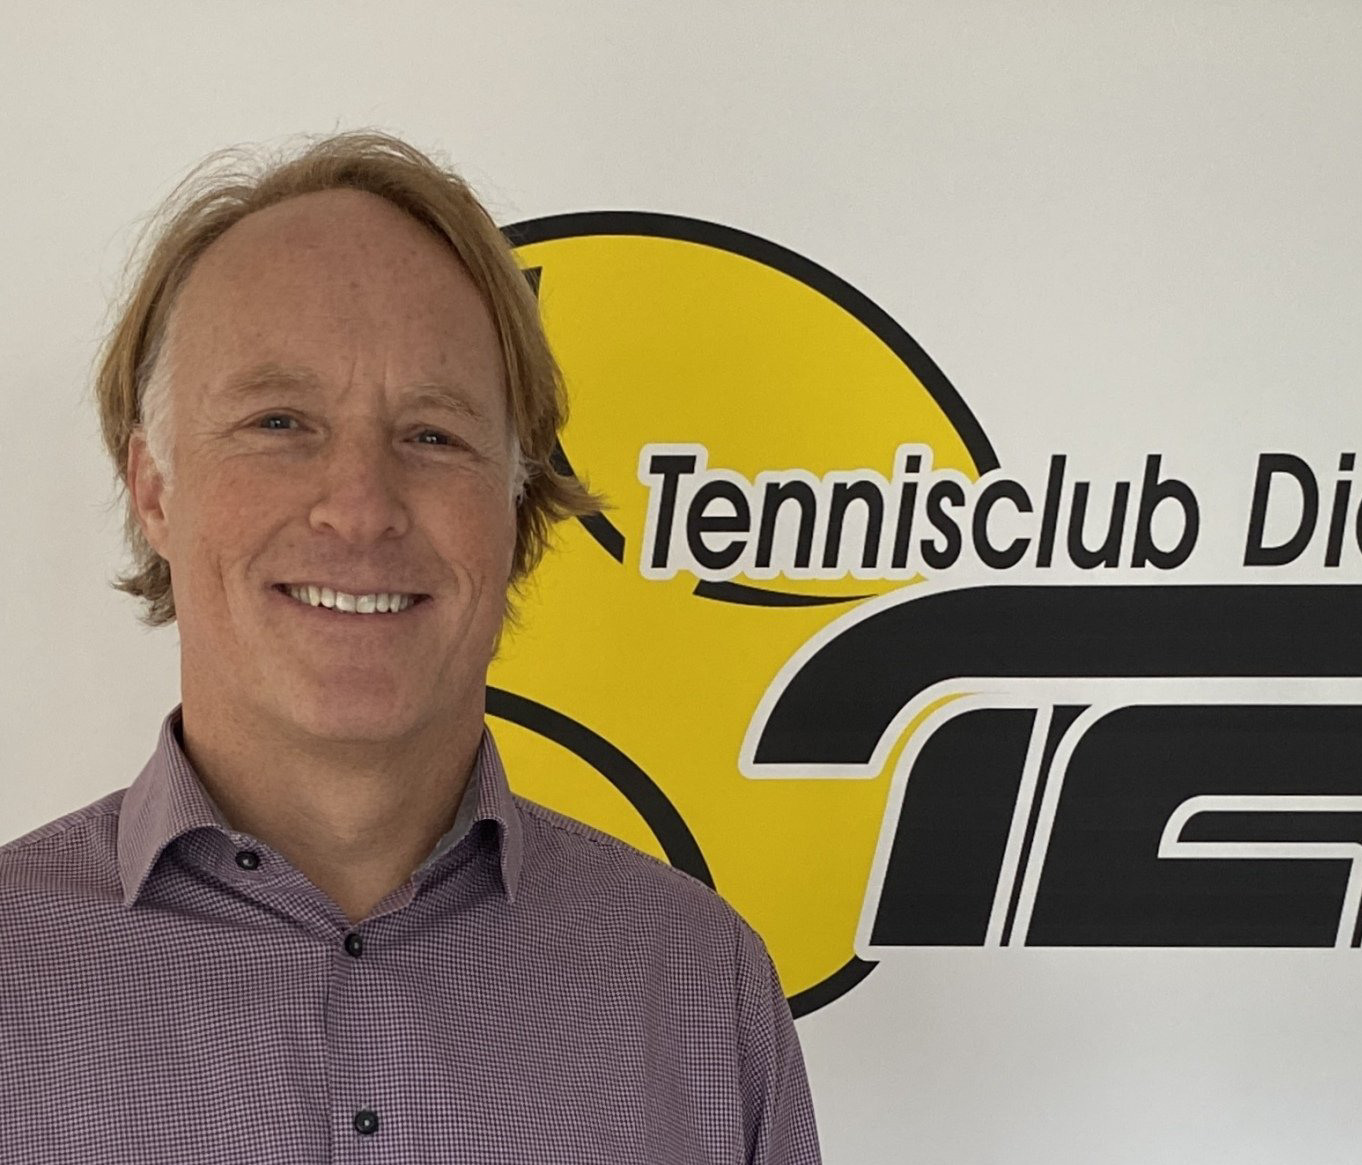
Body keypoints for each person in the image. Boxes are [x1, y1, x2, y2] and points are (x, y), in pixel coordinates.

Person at [0, 131, 821, 1164]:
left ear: (515, 506)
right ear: (154, 489)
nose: (360, 507)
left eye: (434, 435)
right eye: (279, 422)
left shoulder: (698, 988)